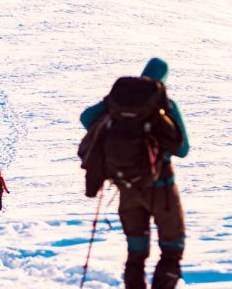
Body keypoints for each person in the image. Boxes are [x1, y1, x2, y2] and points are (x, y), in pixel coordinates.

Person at [79, 58, 189, 289]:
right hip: (162, 189)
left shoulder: (118, 105)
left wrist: (109, 107)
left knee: (136, 251)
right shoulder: (165, 107)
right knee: (172, 250)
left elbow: (86, 118)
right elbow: (182, 149)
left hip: (127, 189)